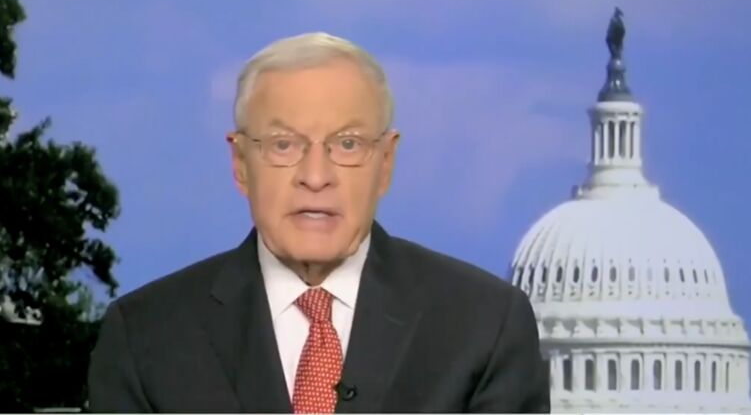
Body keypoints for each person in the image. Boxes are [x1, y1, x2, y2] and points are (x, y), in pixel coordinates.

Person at [87, 32, 550, 413]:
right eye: (283, 145)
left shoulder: (484, 326)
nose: (315, 176)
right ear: (241, 163)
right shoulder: (145, 337)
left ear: (385, 163)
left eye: (347, 145)